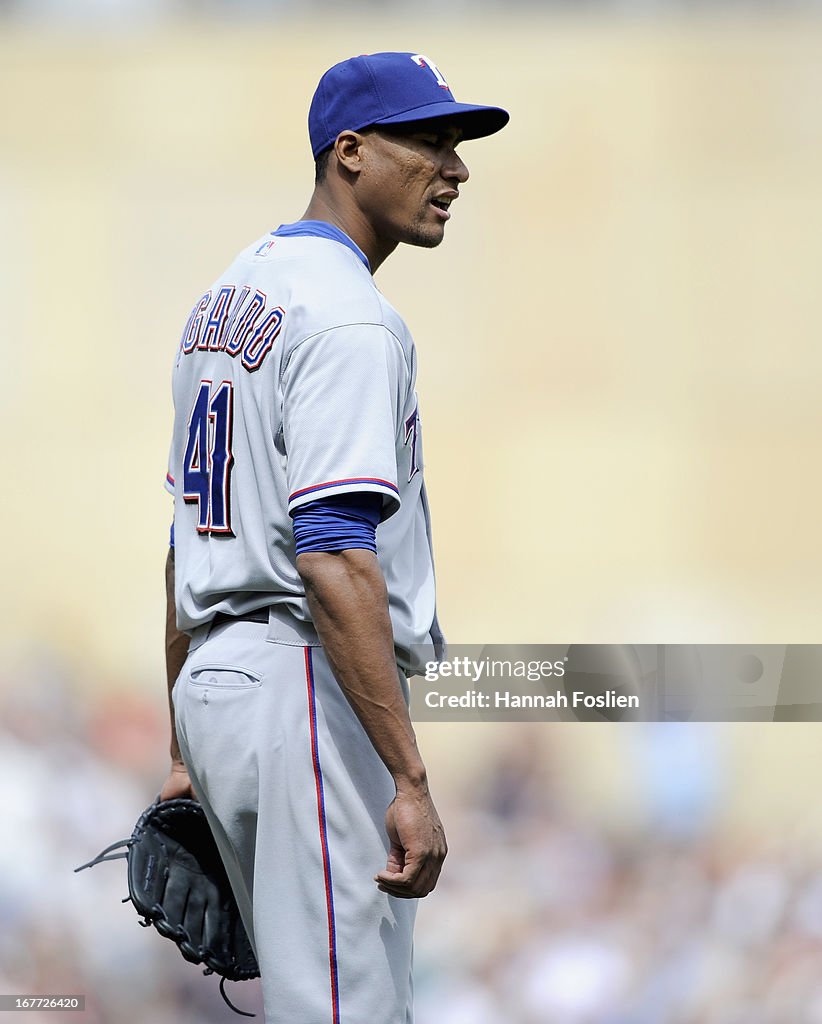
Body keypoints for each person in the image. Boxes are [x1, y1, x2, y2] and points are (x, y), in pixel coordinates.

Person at [159, 51, 508, 1023]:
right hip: (305, 682)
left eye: (457, 144)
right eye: (430, 140)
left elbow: (184, 536)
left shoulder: (227, 297)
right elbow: (334, 552)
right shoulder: (352, 316)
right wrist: (409, 773)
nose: (456, 168)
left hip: (219, 690)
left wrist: (185, 744)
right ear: (349, 152)